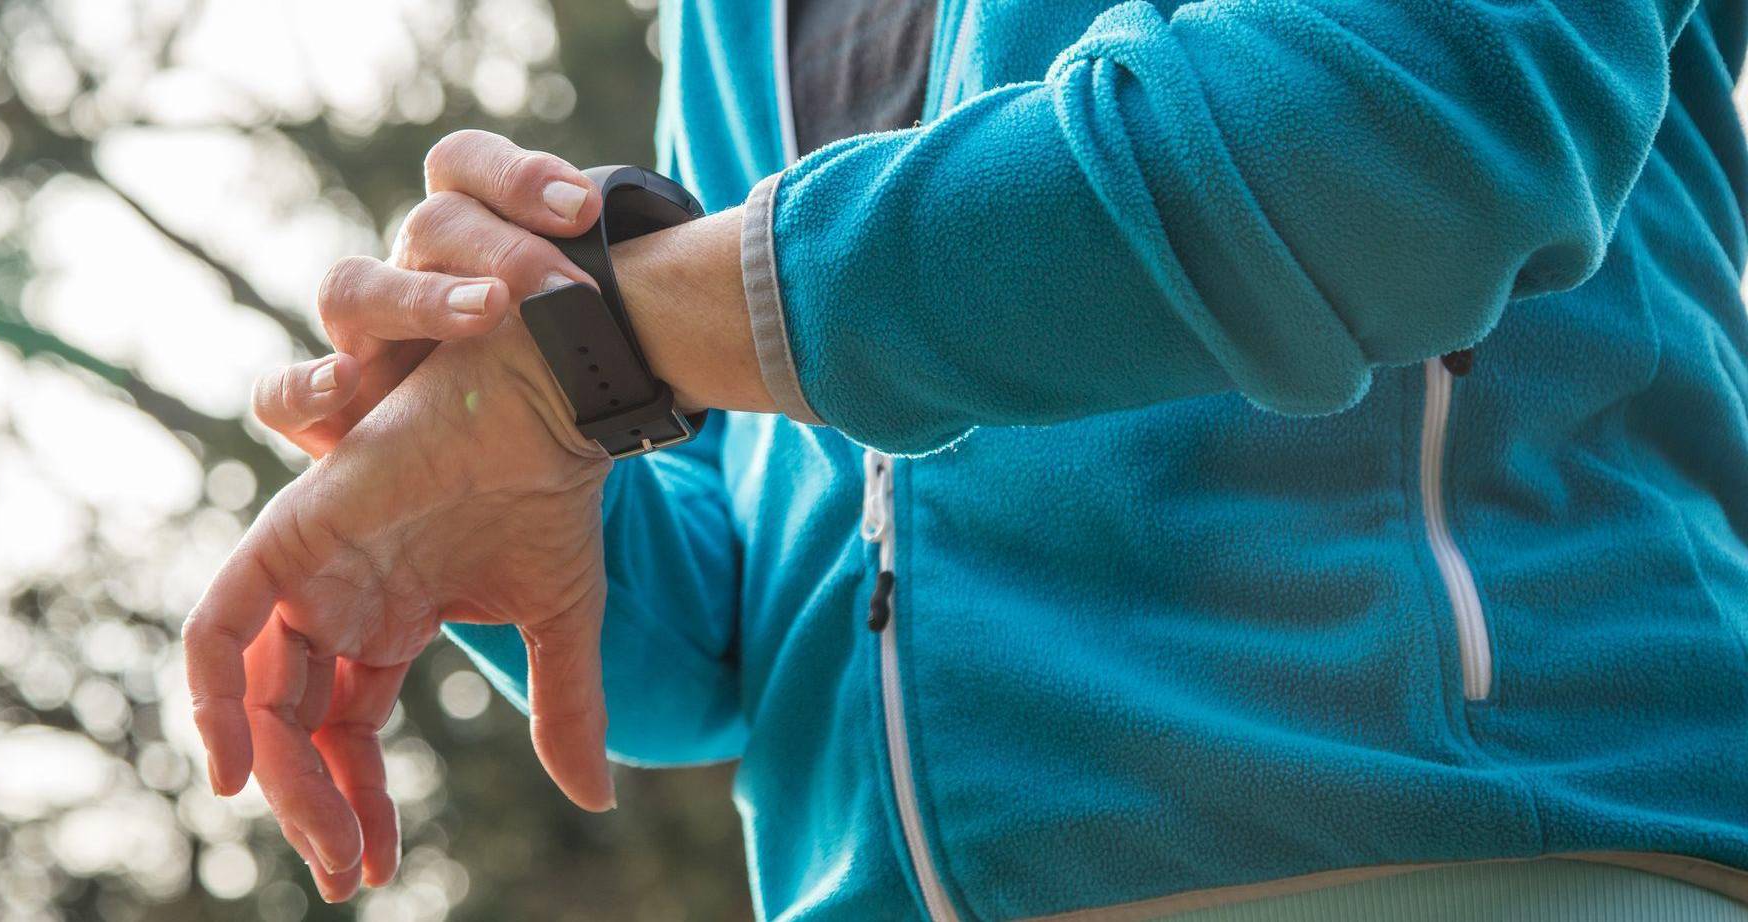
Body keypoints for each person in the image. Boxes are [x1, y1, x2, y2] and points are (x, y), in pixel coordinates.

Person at [183, 0, 1748, 917]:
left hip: (1453, 861)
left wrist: (614, 340)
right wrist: (506, 467)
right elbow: (771, 607)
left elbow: (1401, 132)